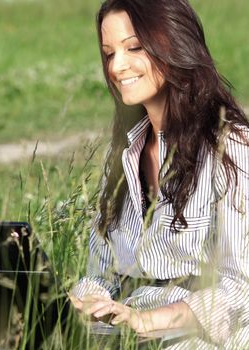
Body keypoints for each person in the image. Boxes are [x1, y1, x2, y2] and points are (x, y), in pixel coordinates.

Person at [69, 0, 249, 349]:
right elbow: (102, 271)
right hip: (127, 338)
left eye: (133, 47)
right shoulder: (123, 151)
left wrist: (147, 321)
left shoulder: (231, 148)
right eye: (108, 54)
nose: (117, 67)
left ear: (175, 45)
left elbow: (241, 287)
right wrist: (88, 302)